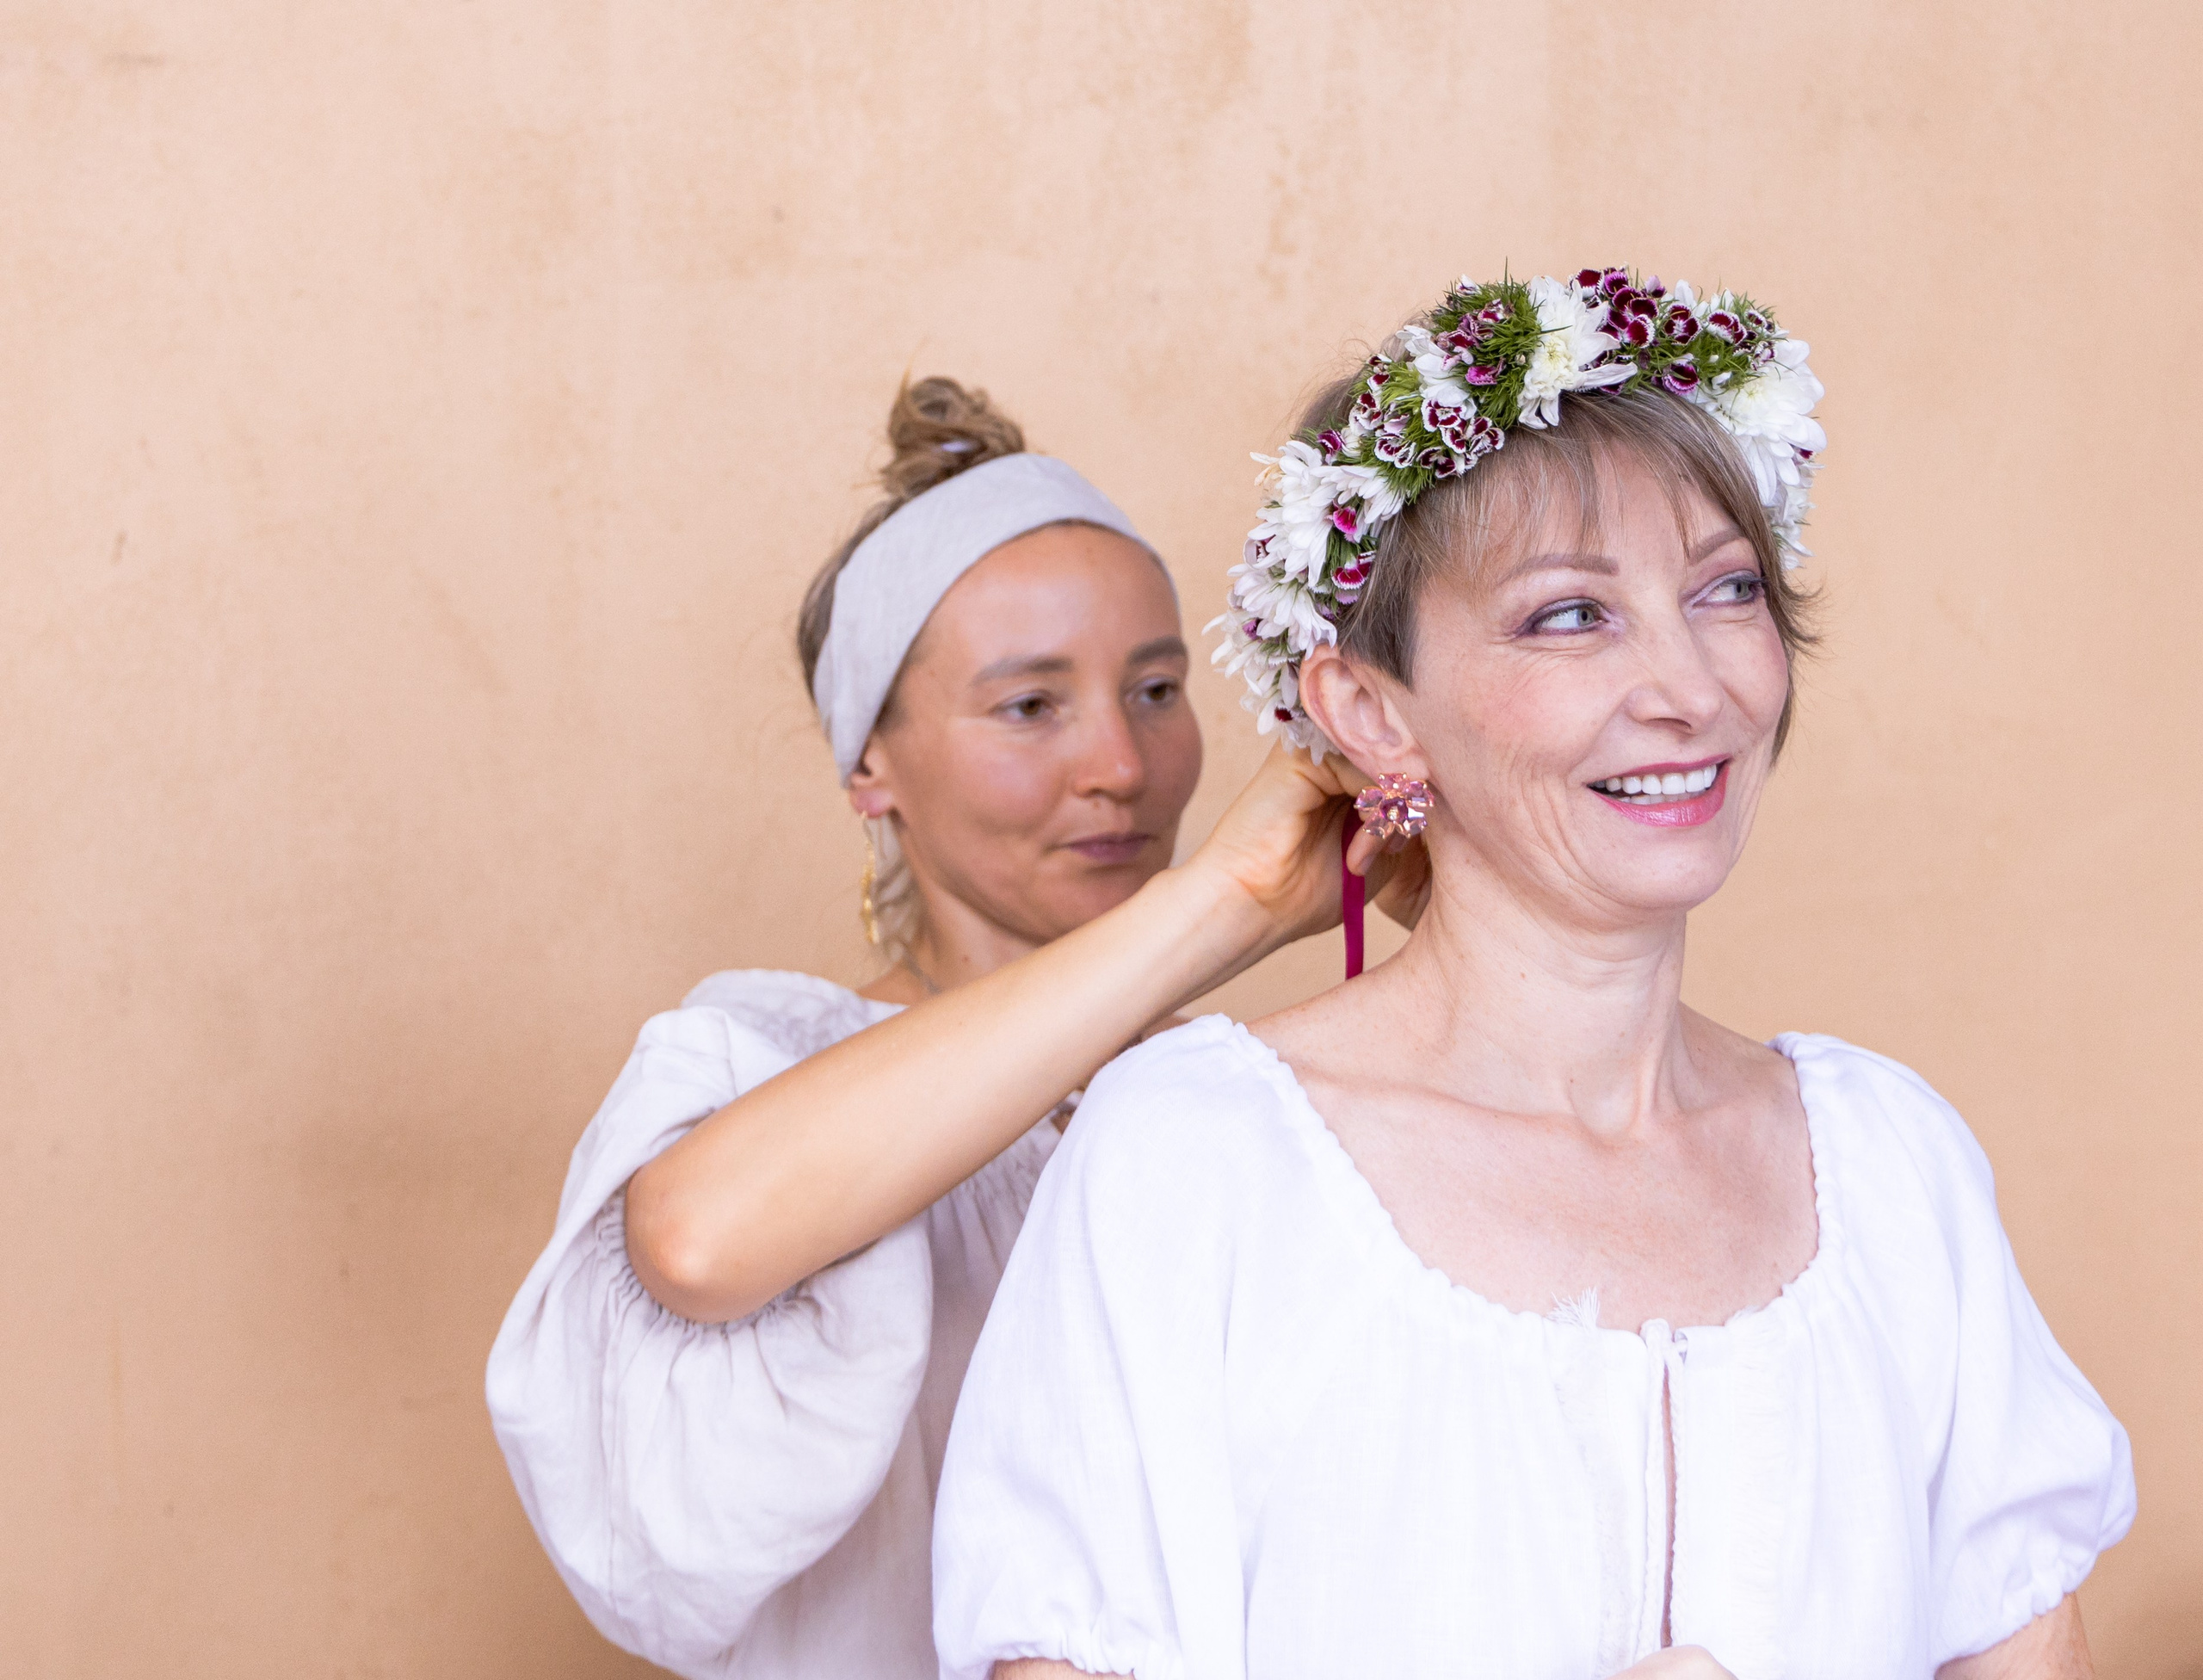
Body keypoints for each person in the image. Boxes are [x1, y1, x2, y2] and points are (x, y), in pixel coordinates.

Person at [932, 270, 2136, 1680]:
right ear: (1371, 710)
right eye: (1570, 616)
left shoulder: (1891, 1167)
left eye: (1727, 590)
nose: (1691, 689)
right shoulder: (1195, 1167)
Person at [484, 377, 1423, 1679]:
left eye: (1156, 690)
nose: (1121, 766)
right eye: (1031, 705)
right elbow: (694, 1244)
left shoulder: (1248, 1107)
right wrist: (1229, 904)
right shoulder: (761, 1061)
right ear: (869, 762)